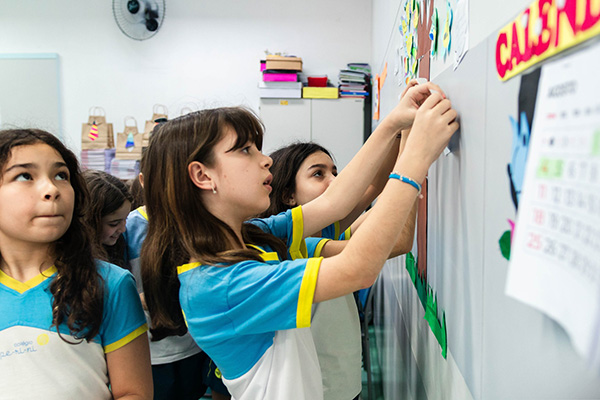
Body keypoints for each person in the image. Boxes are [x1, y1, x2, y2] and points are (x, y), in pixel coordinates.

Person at [141, 83, 457, 399]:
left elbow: (334, 203)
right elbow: (357, 268)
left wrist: (393, 123)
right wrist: (415, 157)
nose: (265, 160)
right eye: (245, 150)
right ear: (203, 176)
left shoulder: (254, 237)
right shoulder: (219, 284)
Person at [0, 128, 152, 399]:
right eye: (25, 175)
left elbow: (134, 392)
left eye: (61, 175)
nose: (51, 189)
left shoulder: (109, 285)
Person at [262, 139, 418, 400]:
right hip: (324, 391)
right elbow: (399, 241)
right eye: (318, 174)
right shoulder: (302, 248)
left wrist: (404, 135)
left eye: (334, 171)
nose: (335, 181)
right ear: (289, 195)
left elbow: (372, 186)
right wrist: (415, 157)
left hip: (341, 383)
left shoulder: (325, 233)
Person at [125, 167, 231, 400]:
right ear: (143, 180)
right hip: (150, 352)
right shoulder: (128, 227)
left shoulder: (198, 223)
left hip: (193, 345)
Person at [82, 169, 133, 269]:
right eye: (113, 224)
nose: (123, 229)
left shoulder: (120, 247)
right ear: (89, 220)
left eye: (125, 219)